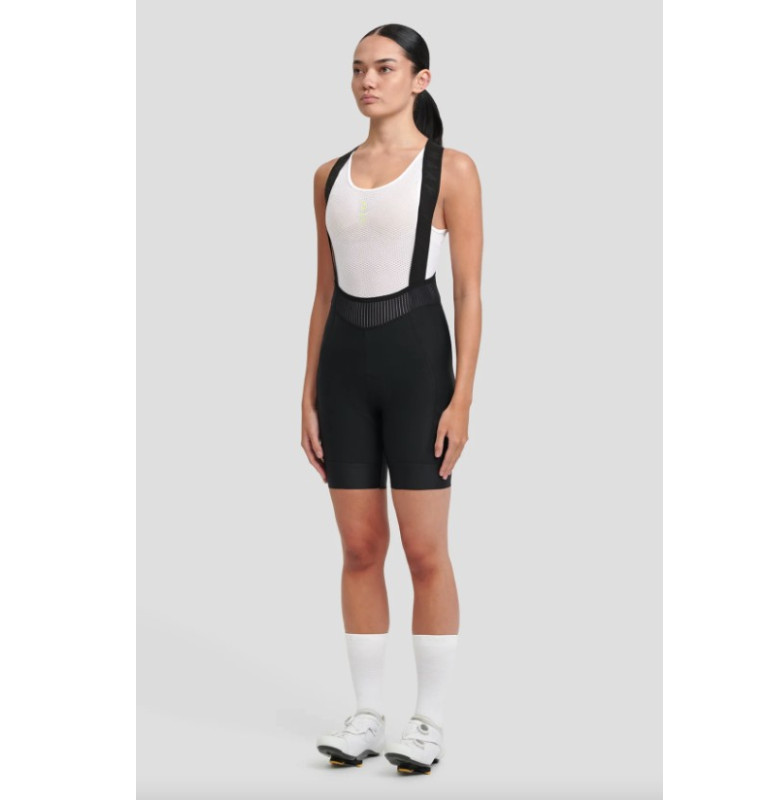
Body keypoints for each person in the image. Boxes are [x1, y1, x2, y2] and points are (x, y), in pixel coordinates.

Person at [300, 22, 482, 775]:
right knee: (359, 548)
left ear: (420, 79)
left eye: (383, 68)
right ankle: (367, 713)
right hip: (343, 372)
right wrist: (307, 397)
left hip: (418, 369)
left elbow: (469, 293)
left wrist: (461, 400)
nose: (367, 81)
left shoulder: (451, 169)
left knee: (425, 550)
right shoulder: (328, 174)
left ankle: (428, 722)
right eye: (357, 69)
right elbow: (323, 291)